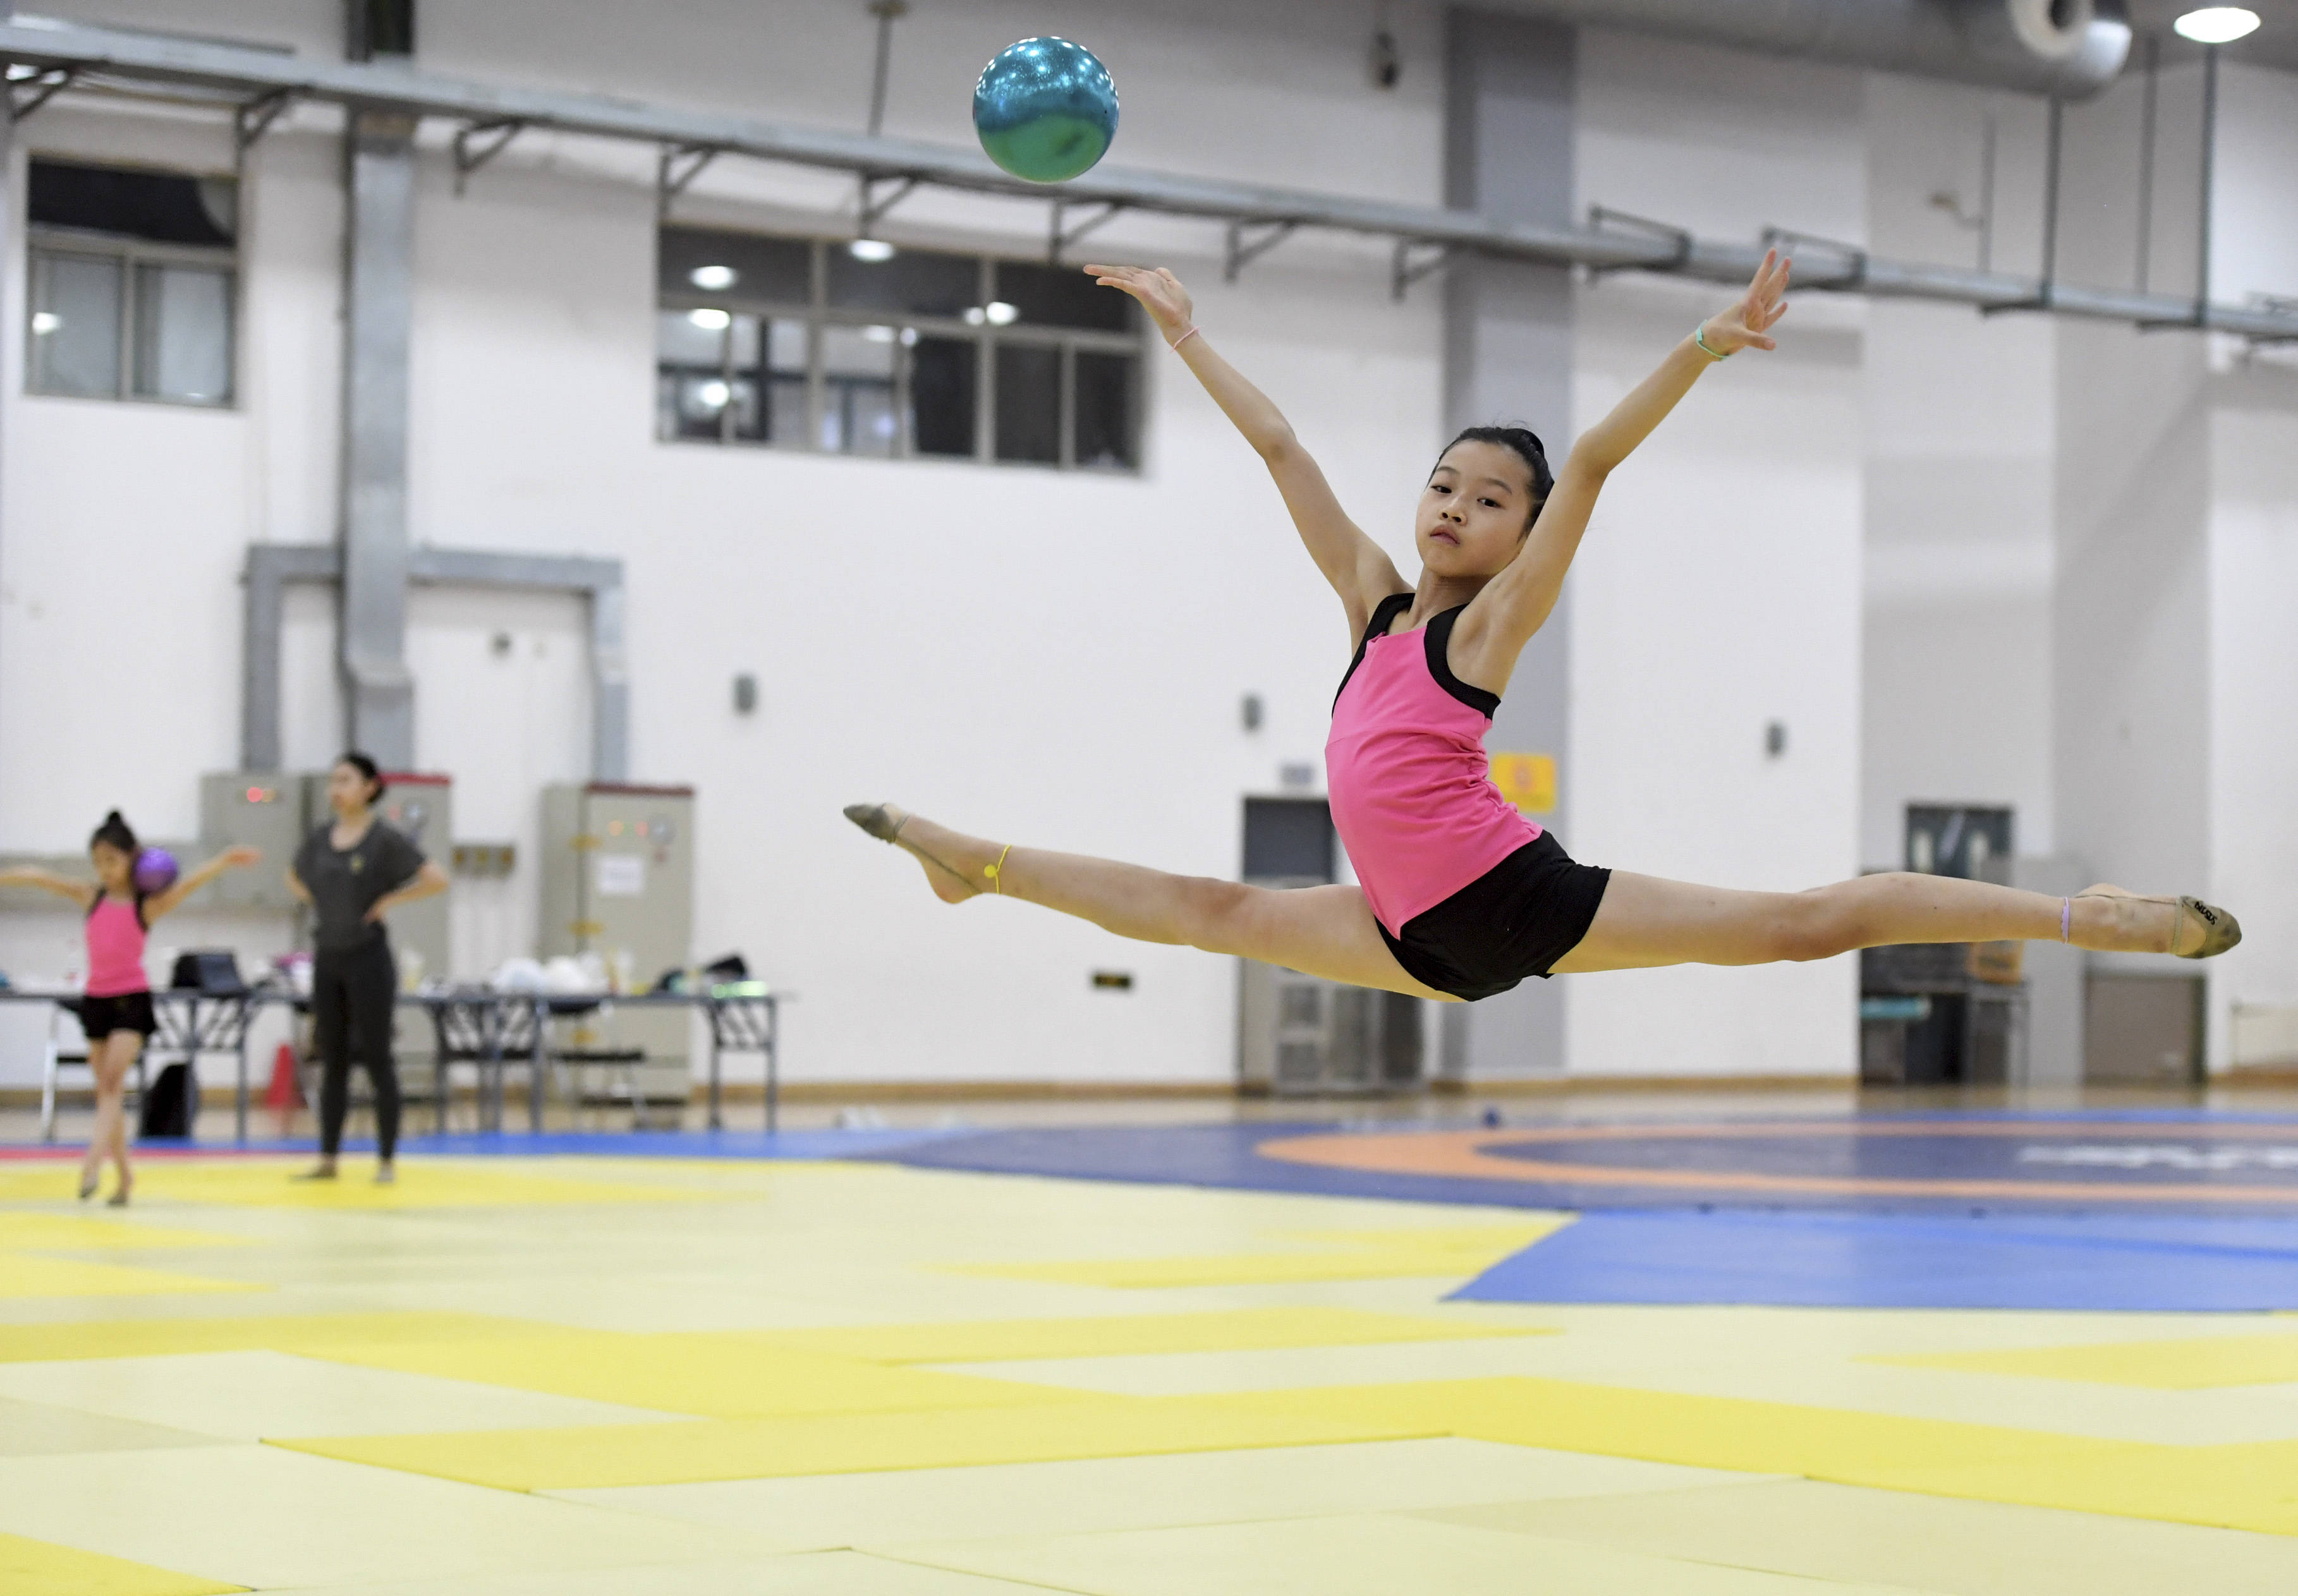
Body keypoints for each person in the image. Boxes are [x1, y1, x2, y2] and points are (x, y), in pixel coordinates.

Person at [844, 251, 2238, 1003]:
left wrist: (1696, 349)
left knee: (1808, 924)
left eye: (1487, 496)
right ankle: (983, 868)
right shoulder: (1376, 605)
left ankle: (2088, 916)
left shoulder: (1490, 631)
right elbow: (1283, 456)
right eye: (1444, 483)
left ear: (1519, 535)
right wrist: (1186, 332)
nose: (1455, 505)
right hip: (1408, 936)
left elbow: (1592, 464)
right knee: (1215, 911)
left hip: (1512, 898)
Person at [0, 815, 259, 1203]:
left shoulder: (146, 907)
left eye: (112, 861)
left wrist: (222, 861)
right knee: (108, 1092)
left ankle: (91, 1163)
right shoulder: (91, 897)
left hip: (132, 1001)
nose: (104, 870)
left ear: (131, 860)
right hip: (97, 1001)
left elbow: (189, 885)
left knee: (111, 1084)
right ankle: (124, 1177)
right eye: (98, 862)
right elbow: (39, 876)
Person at [286, 753, 449, 1184]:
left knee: (377, 1057)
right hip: (328, 957)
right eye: (332, 781)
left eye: (345, 780)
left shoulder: (384, 840)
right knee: (332, 1058)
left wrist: (389, 901)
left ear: (369, 788)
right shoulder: (321, 839)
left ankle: (386, 1160)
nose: (335, 789)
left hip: (368, 959)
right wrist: (321, 902)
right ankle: (328, 1158)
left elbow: (436, 878)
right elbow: (293, 876)